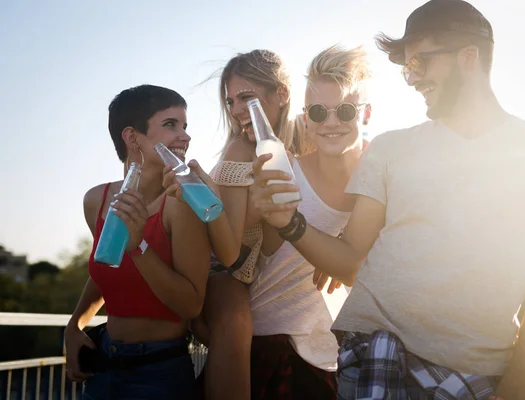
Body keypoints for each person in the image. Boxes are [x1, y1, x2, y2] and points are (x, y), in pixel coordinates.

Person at [250, 1, 525, 399]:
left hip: (473, 371)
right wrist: (290, 223)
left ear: (468, 56)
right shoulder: (390, 149)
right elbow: (350, 260)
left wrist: (515, 393)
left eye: (419, 64)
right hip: (373, 353)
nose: (411, 79)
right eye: (408, 68)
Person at [164, 49, 310, 400]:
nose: (236, 110)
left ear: (282, 95)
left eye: (246, 97)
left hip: (264, 273)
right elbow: (229, 254)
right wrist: (253, 205)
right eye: (230, 101)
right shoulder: (238, 153)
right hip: (223, 268)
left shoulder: (304, 137)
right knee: (235, 321)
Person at [64, 84, 211, 399]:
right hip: (103, 368)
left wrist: (139, 246)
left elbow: (190, 304)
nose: (185, 135)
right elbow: (105, 270)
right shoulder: (97, 200)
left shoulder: (182, 203)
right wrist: (74, 326)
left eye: (185, 126)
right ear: (132, 137)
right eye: (171, 125)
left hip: (160, 374)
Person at [247, 44, 371, 399]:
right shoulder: (286, 171)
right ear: (305, 118)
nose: (331, 122)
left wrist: (342, 243)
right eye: (318, 111)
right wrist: (264, 212)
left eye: (345, 110)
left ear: (366, 114)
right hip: (271, 343)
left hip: (335, 354)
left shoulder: (382, 173)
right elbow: (267, 253)